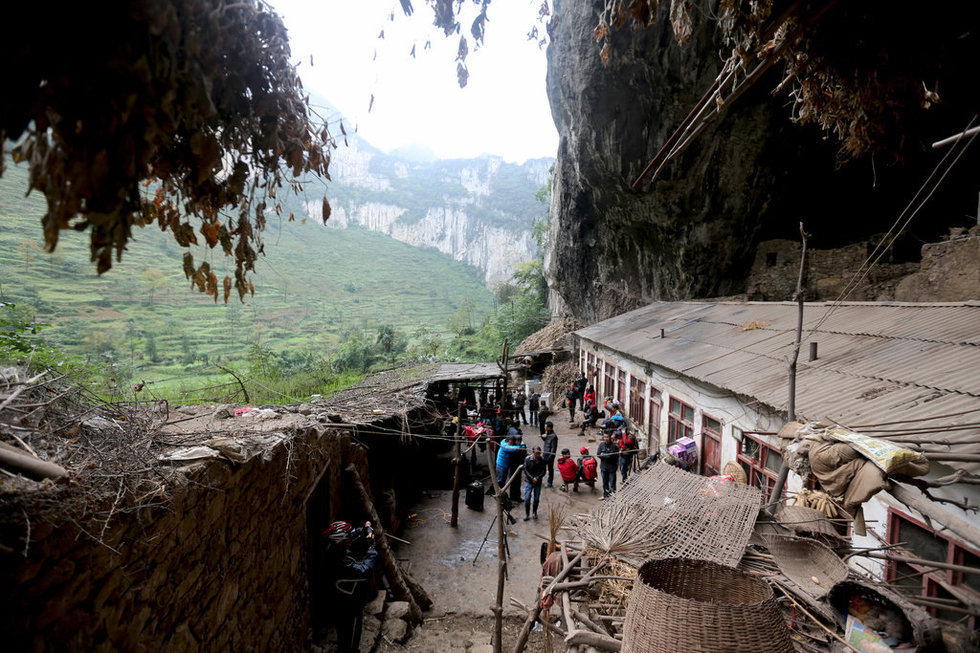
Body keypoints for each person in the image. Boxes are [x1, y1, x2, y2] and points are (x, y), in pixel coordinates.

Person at [324, 520, 379, 653]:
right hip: (347, 604)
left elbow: (352, 535)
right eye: (347, 537)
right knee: (351, 633)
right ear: (340, 540)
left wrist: (363, 529)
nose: (350, 539)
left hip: (339, 600)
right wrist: (371, 549)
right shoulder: (342, 562)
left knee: (344, 632)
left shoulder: (333, 548)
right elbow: (365, 570)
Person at [522, 446, 547, 520]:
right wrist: (531, 478)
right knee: (527, 498)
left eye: (539, 453)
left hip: (538, 482)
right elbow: (525, 470)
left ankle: (534, 512)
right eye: (536, 453)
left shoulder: (542, 460)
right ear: (533, 453)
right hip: (529, 481)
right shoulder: (528, 459)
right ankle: (527, 514)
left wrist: (538, 478)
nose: (538, 455)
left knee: (536, 499)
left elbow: (544, 471)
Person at [596, 431, 620, 499]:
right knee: (605, 483)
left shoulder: (614, 446)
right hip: (603, 468)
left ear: (610, 438)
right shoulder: (601, 445)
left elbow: (611, 456)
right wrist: (607, 455)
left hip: (612, 468)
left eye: (607, 437)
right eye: (604, 437)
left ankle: (612, 497)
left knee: (612, 483)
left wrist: (603, 455)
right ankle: (605, 495)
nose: (605, 438)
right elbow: (598, 454)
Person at [541, 421, 558, 487]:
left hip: (550, 455)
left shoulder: (554, 436)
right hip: (545, 452)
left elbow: (554, 448)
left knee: (550, 469)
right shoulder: (546, 432)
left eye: (546, 427)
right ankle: (539, 479)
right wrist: (543, 437)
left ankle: (550, 482)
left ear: (549, 428)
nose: (544, 428)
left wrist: (550, 457)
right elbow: (545, 440)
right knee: (542, 467)